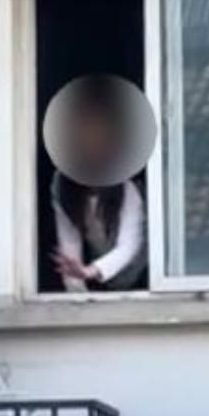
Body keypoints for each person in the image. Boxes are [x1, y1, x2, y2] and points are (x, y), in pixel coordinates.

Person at [49, 82, 147, 291]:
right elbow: (69, 244)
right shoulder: (62, 185)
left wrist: (90, 271)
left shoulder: (127, 187)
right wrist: (76, 292)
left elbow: (129, 246)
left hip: (143, 278)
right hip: (101, 280)